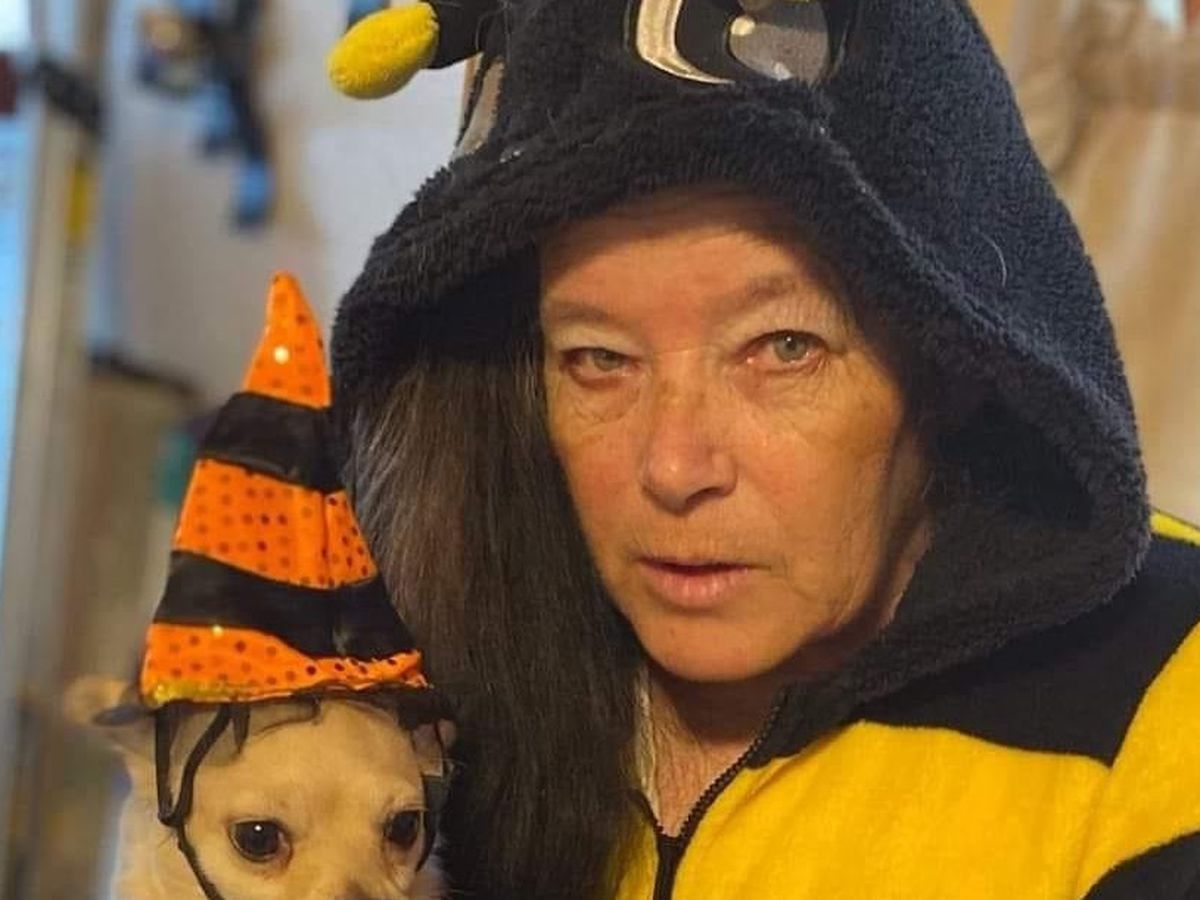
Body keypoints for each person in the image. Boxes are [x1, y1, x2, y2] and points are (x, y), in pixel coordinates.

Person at [327, 1, 1200, 897]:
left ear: (952, 356)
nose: (674, 468)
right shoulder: (404, 700)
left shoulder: (1169, 697)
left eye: (785, 347)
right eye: (599, 359)